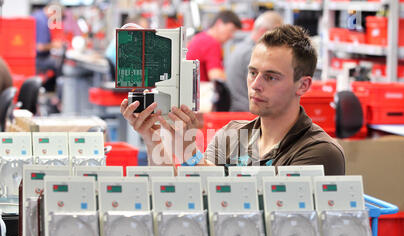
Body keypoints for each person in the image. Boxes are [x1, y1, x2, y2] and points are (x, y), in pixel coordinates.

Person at [120, 24, 345, 176]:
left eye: (271, 77)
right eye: (252, 72)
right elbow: (184, 198)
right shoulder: (231, 135)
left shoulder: (319, 151)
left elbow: (258, 212)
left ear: (303, 85)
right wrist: (152, 139)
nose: (256, 84)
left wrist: (189, 151)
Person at [226, 11, 283, 112]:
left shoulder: (241, 47)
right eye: (276, 36)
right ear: (263, 32)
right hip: (246, 110)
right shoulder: (253, 54)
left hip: (237, 106)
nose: (278, 42)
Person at [186, 10, 242, 82]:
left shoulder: (200, 37)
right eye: (231, 30)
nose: (231, 36)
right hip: (200, 90)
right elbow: (216, 77)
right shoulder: (212, 43)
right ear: (219, 23)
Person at [32, 3, 64, 90]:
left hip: (37, 57)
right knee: (61, 64)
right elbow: (40, 47)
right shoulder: (42, 20)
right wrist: (55, 45)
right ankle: (60, 97)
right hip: (37, 59)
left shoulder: (38, 16)